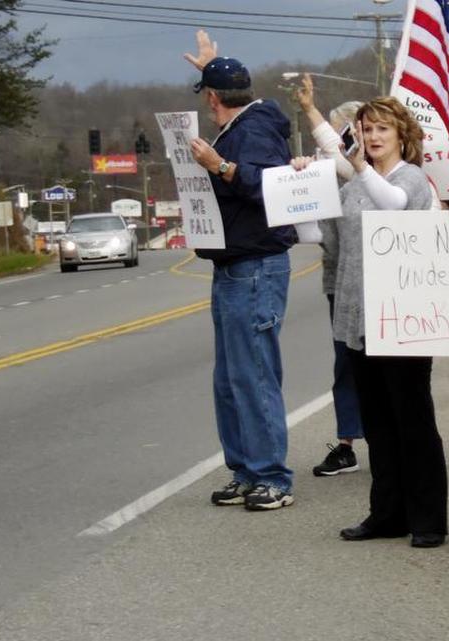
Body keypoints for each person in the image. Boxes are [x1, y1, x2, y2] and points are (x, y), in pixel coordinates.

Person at [293, 95, 449, 549]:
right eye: (367, 128)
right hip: (357, 318)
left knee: (413, 421)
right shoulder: (350, 189)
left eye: (383, 128)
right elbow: (326, 243)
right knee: (378, 424)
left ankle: (428, 519)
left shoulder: (414, 181)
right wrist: (302, 188)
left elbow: (398, 211)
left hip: (405, 318)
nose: (374, 136)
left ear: (402, 134)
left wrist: (356, 169)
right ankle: (387, 514)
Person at [184, 31, 298, 511]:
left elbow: (271, 186)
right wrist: (211, 67)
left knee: (253, 374)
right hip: (235, 264)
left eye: (209, 96)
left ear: (213, 100)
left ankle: (272, 476)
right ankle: (245, 471)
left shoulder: (253, 131)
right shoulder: (248, 122)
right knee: (231, 377)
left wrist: (222, 166)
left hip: (255, 265)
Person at [292, 74, 364, 477]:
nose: (339, 140)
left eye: (345, 133)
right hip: (338, 277)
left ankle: (397, 438)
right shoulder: (327, 167)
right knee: (345, 364)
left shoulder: (369, 170)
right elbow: (301, 202)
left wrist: (309, 111)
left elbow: (338, 154)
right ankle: (347, 443)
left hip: (378, 277)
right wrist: (301, 172)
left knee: (384, 366)